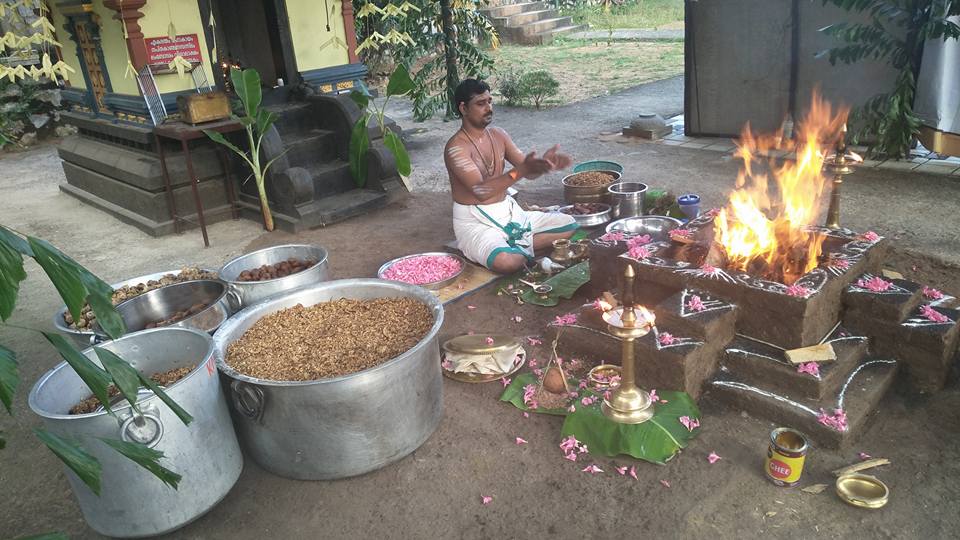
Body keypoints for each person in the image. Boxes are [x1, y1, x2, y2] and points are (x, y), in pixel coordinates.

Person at [444, 79, 578, 274]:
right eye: (481, 104)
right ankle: (511, 250)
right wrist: (521, 171)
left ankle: (515, 247)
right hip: (476, 222)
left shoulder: (499, 135)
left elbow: (528, 171)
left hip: (510, 213)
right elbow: (481, 191)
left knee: (569, 224)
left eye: (490, 101)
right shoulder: (456, 148)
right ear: (463, 108)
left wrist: (543, 165)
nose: (489, 108)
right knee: (506, 262)